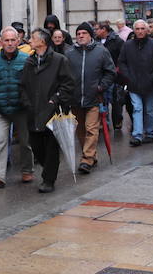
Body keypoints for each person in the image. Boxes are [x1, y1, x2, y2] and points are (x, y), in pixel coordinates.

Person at [20, 28, 75, 193]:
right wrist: (26, 102)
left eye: (33, 38)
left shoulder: (59, 60)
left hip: (52, 110)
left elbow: (69, 84)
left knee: (51, 147)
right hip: (33, 110)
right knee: (36, 146)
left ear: (42, 42)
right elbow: (22, 85)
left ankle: (48, 179)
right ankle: (49, 169)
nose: (29, 40)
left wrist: (55, 99)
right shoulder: (29, 62)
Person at [0, 27, 32, 188]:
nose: (10, 43)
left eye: (12, 40)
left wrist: (26, 100)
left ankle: (27, 170)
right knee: (0, 142)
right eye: (6, 40)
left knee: (25, 142)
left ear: (18, 41)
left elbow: (32, 83)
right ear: (0, 42)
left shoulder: (26, 59)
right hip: (1, 108)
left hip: (21, 109)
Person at [65, 22, 116, 174]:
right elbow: (64, 74)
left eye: (84, 33)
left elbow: (110, 72)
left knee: (91, 128)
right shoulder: (69, 53)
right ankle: (91, 155)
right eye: (78, 33)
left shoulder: (101, 51)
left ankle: (86, 159)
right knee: (80, 130)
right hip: (75, 99)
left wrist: (100, 87)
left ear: (90, 35)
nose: (80, 36)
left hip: (94, 97)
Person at [118, 19, 153, 147]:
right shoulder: (127, 45)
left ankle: (150, 133)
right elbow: (121, 62)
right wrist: (128, 76)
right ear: (134, 30)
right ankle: (137, 135)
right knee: (137, 108)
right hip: (134, 84)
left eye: (142, 28)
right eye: (137, 29)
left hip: (150, 84)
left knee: (150, 110)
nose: (140, 31)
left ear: (147, 30)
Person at [95, 20, 125, 130]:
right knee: (103, 100)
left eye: (97, 29)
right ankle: (104, 123)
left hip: (114, 75)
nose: (95, 31)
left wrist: (118, 69)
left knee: (115, 100)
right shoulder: (95, 41)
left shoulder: (117, 41)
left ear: (103, 29)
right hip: (100, 75)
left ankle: (117, 121)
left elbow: (122, 57)